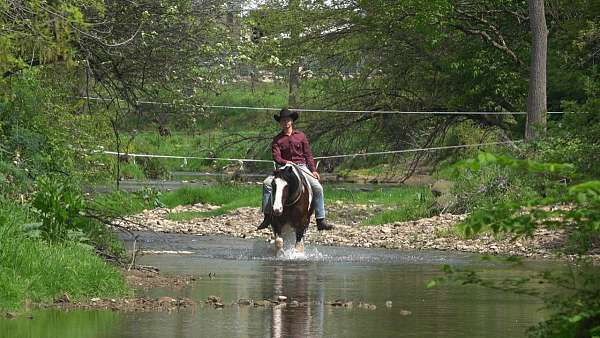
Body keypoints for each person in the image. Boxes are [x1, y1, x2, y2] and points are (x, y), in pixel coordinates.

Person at [257, 108, 333, 231]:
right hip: (284, 167)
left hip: (301, 166)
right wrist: (286, 162)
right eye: (283, 120)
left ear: (292, 121)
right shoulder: (277, 139)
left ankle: (320, 219)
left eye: (287, 120)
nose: (285, 122)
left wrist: (313, 170)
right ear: (280, 123)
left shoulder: (301, 136)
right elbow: (276, 156)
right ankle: (267, 217)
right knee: (266, 184)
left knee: (318, 188)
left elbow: (308, 154)